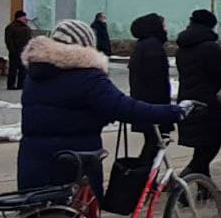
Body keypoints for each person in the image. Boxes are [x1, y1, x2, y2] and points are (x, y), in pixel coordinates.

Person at [18, 20, 186, 198]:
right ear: (86, 46)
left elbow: (62, 112)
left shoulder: (34, 76)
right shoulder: (88, 77)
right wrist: (173, 112)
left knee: (41, 216)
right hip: (74, 163)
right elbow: (124, 108)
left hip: (32, 162)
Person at [174, 9, 221, 178]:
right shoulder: (210, 48)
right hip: (208, 104)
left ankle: (204, 186)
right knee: (212, 144)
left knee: (202, 145)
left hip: (187, 101)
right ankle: (185, 180)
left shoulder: (182, 48)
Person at [128, 13, 172, 160]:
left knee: (152, 143)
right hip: (153, 107)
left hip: (144, 105)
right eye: (163, 25)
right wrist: (163, 112)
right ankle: (144, 179)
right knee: (154, 145)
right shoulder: (153, 47)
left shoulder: (143, 45)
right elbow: (157, 81)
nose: (166, 29)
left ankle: (145, 179)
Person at [4, 10, 31, 90]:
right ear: (19, 18)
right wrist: (13, 51)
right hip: (15, 52)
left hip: (24, 52)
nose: (26, 19)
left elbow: (29, 39)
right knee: (13, 69)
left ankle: (21, 84)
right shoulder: (11, 27)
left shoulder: (26, 27)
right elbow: (9, 41)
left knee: (23, 70)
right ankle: (11, 85)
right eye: (24, 17)